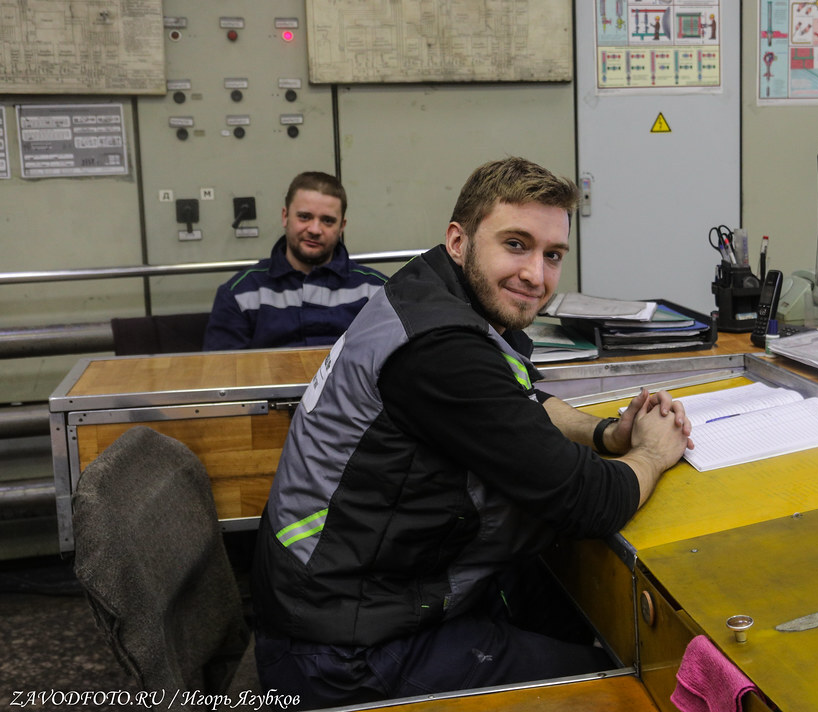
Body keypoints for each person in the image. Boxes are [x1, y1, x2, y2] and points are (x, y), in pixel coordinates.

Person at [250, 157, 693, 708]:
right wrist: (651, 453)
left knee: (566, 617)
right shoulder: (441, 347)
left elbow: (518, 398)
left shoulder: (430, 291)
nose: (536, 274)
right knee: (625, 691)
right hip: (342, 652)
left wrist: (606, 435)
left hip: (351, 598)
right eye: (515, 244)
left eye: (553, 255)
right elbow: (588, 501)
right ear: (459, 240)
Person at [203, 171, 387, 351]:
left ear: (341, 227)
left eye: (328, 220)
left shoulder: (377, 292)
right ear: (285, 217)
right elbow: (221, 373)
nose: (315, 229)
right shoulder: (240, 294)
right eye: (304, 217)